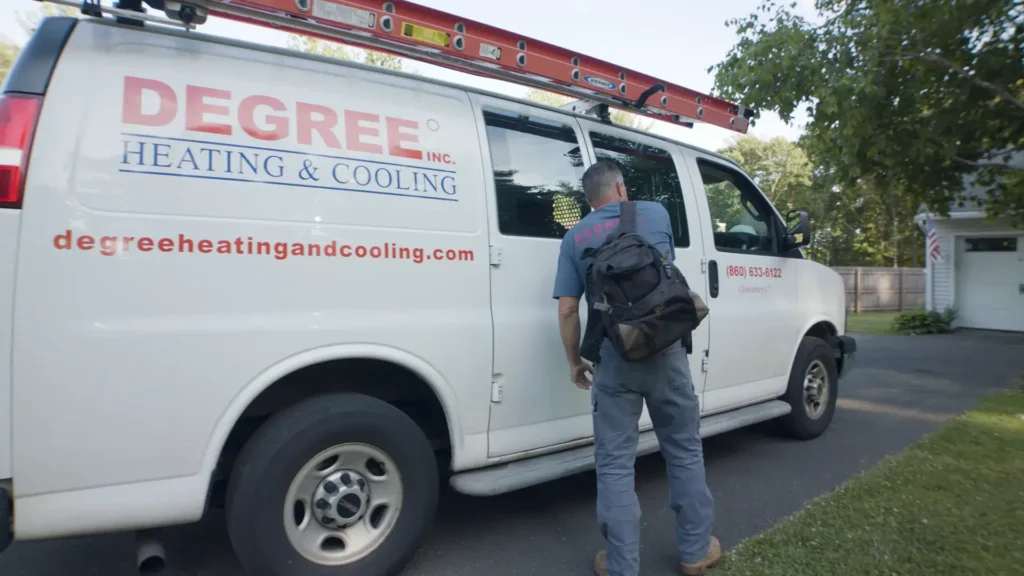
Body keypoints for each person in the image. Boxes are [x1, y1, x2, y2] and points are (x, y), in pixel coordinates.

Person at [552, 159, 720, 576]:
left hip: (614, 361)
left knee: (614, 463)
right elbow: (665, 276)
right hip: (666, 354)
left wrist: (575, 362)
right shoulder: (657, 214)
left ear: (588, 200)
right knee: (683, 450)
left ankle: (623, 565)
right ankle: (695, 552)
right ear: (622, 189)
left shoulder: (574, 238)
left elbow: (569, 309)